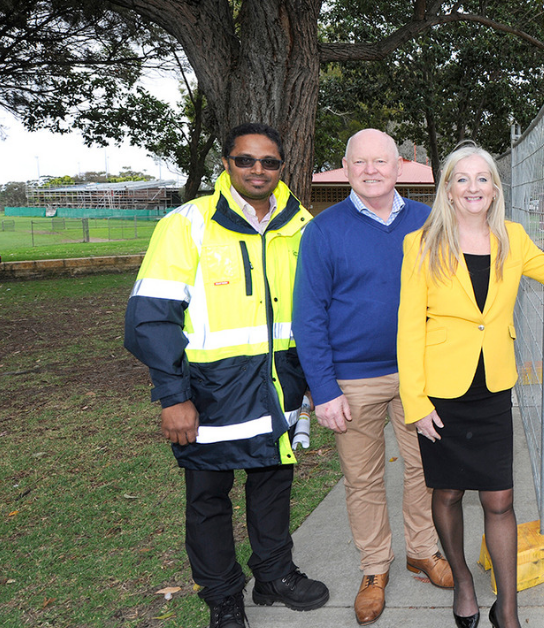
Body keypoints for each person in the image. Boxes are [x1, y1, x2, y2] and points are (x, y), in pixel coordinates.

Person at [124, 123, 328, 628]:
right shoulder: (187, 223)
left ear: (282, 166)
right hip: (208, 395)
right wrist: (173, 397)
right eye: (246, 160)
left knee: (273, 486)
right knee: (209, 499)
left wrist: (308, 387)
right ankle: (223, 597)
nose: (258, 170)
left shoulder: (302, 225)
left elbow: (313, 312)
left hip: (278, 387)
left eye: (270, 162)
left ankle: (274, 576)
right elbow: (150, 318)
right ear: (226, 163)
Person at [398, 145, 544, 628]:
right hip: (441, 392)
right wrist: (416, 401)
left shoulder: (512, 238)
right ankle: (464, 582)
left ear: (495, 189)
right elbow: (408, 327)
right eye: (462, 179)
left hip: (491, 387)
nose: (473, 188)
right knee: (447, 493)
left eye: (483, 179)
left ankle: (507, 609)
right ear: (447, 189)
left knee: (500, 499)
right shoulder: (422, 243)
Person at [293, 128, 448, 626]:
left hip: (417, 374)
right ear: (346, 168)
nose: (371, 170)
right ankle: (374, 568)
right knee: (363, 480)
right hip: (353, 380)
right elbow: (308, 315)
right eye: (360, 162)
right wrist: (324, 388)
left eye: (380, 161)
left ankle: (422, 550)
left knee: (425, 469)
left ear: (399, 166)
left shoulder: (428, 222)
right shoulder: (324, 230)